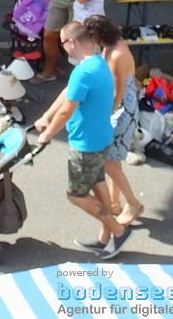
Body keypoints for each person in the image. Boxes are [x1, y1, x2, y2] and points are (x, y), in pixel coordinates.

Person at [34, 23, 133, 260]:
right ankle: (104, 238)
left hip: (85, 143)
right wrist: (46, 116)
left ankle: (119, 230)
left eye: (62, 43)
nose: (63, 48)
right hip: (101, 137)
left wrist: (47, 135)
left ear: (72, 43)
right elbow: (70, 92)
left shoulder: (83, 72)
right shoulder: (97, 63)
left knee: (76, 195)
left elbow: (66, 111)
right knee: (98, 185)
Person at [84, 15, 143, 226]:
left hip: (121, 112)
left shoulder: (117, 54)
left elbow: (117, 93)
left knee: (107, 160)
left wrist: (103, 116)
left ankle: (133, 203)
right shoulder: (111, 46)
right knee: (114, 159)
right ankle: (114, 202)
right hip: (121, 110)